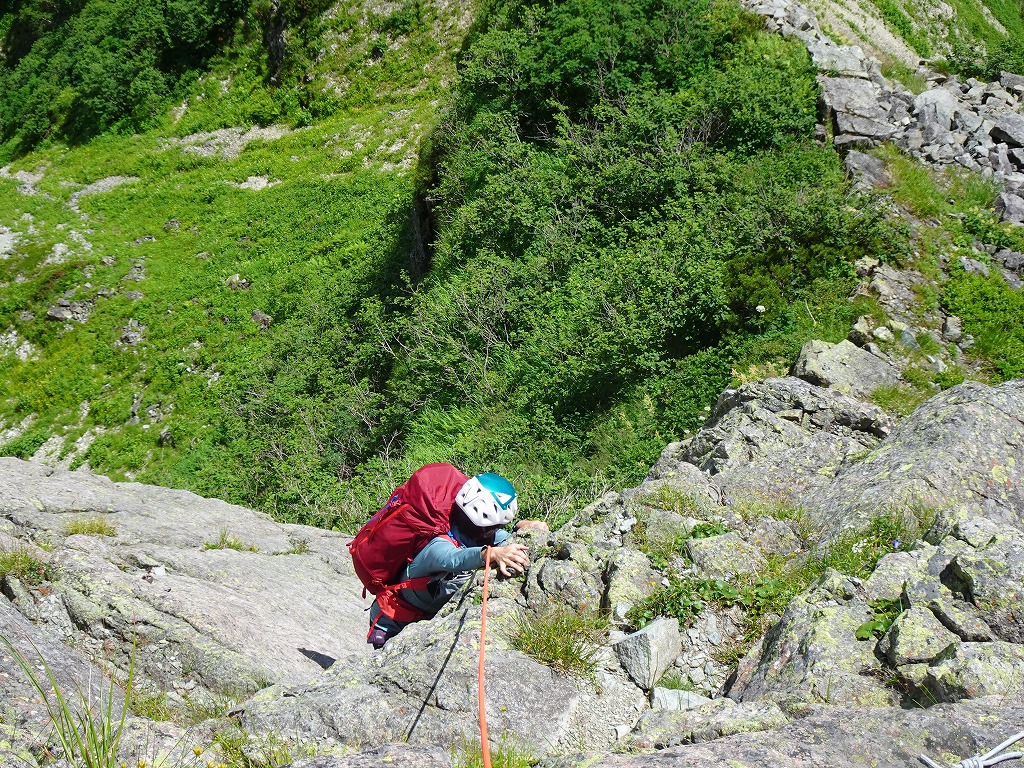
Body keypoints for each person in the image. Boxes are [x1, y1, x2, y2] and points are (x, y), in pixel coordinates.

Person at [366, 465, 548, 649]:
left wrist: (521, 527)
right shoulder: (438, 546)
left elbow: (502, 540)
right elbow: (455, 558)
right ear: (485, 526)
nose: (498, 530)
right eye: (497, 526)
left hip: (422, 618)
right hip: (392, 625)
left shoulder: (475, 535)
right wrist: (489, 554)